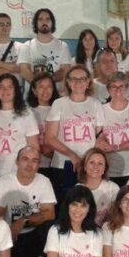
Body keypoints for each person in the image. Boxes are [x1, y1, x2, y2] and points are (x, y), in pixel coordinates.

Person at [0, 146, 57, 257]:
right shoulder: (3, 182)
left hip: (34, 234)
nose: (29, 164)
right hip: (10, 236)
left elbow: (50, 214)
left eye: (34, 161)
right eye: (25, 159)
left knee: (51, 227)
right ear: (17, 162)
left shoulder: (44, 181)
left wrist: (23, 221)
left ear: (39, 165)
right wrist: (6, 230)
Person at [45, 65, 104, 195]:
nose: (78, 83)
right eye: (73, 79)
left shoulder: (95, 104)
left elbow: (100, 137)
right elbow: (50, 138)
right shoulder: (59, 104)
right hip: (63, 164)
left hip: (89, 166)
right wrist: (72, 155)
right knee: (66, 205)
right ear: (68, 82)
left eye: (82, 78)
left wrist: (89, 160)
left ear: (88, 82)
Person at [96, 72, 129, 187]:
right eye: (113, 87)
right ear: (108, 89)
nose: (117, 90)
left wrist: (115, 147)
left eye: (121, 86)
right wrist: (102, 142)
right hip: (110, 170)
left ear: (127, 88)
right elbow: (99, 137)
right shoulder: (101, 109)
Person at [0, 73, 39, 186]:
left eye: (10, 87)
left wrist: (31, 171)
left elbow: (34, 146)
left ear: (16, 91)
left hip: (18, 174)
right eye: (1, 87)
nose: (5, 90)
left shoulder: (26, 114)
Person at [18, 8, 71, 84]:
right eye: (40, 19)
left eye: (47, 19)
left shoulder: (63, 46)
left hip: (56, 93)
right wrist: (39, 86)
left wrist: (48, 83)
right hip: (33, 93)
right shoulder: (27, 46)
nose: (44, 22)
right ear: (35, 23)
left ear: (52, 23)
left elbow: (65, 70)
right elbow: (23, 70)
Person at [77, 148, 120, 226]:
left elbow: (119, 216)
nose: (95, 166)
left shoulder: (113, 188)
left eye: (100, 163)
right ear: (85, 167)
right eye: (91, 162)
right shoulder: (77, 189)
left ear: (104, 169)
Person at [27, 73, 57, 179]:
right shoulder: (28, 112)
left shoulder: (60, 109)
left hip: (57, 164)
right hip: (36, 164)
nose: (45, 90)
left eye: (49, 86)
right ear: (34, 91)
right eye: (41, 87)